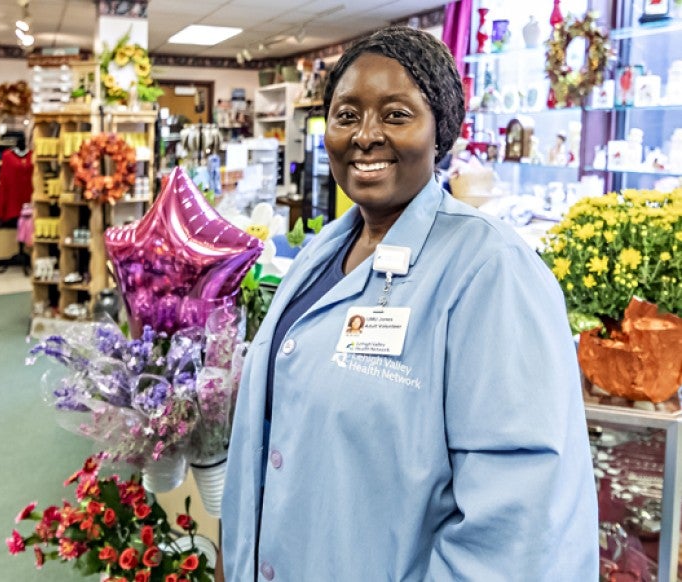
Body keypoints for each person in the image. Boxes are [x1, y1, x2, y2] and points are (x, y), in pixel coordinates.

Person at [221, 26, 598, 581]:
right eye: (347, 115)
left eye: (395, 115)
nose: (365, 135)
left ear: (441, 131)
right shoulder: (323, 254)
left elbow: (520, 523)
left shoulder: (492, 273)